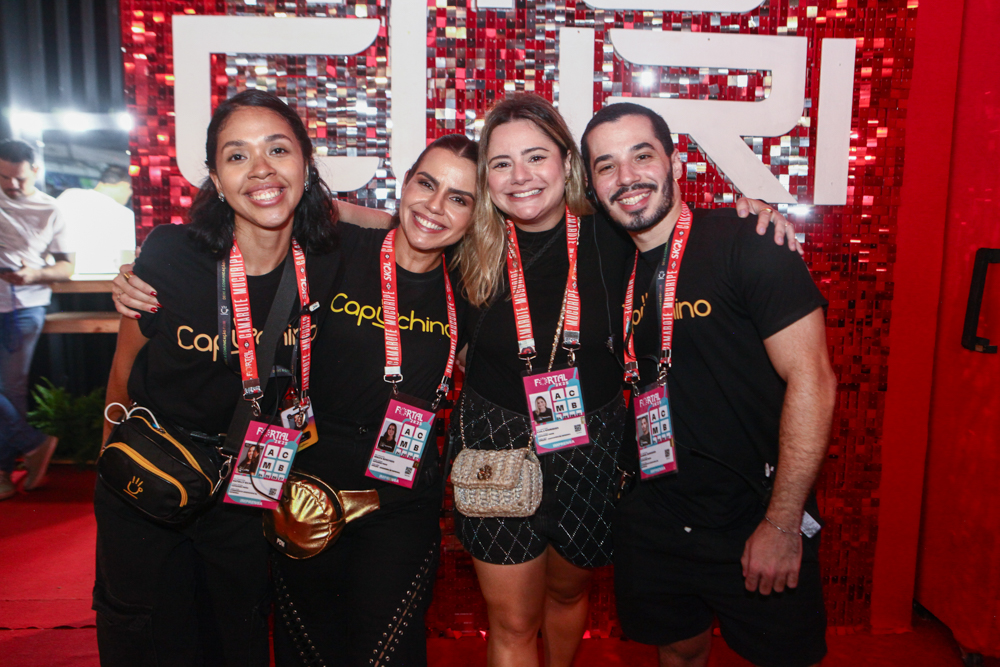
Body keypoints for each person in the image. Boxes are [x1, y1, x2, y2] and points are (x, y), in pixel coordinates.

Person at [449, 94, 798, 667]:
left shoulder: (613, 234)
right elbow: (398, 233)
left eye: (536, 157)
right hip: (497, 445)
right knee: (511, 620)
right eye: (502, 163)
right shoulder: (468, 244)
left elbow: (672, 220)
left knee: (568, 595)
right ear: (485, 176)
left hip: (593, 446)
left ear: (569, 164)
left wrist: (750, 211)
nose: (521, 176)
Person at [112, 133, 480, 667]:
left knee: (389, 653)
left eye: (459, 198)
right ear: (404, 184)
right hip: (301, 485)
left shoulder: (470, 288)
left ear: (476, 214)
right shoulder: (333, 250)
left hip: (400, 504)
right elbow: (283, 210)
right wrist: (138, 280)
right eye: (426, 184)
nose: (436, 205)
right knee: (308, 651)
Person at [580, 102, 837, 667]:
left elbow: (813, 379)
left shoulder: (748, 240)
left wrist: (782, 522)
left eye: (642, 156)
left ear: (675, 163)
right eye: (606, 166)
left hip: (753, 512)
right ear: (593, 186)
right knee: (677, 648)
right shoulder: (606, 260)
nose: (627, 177)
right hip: (654, 514)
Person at [96, 90, 340, 667]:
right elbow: (122, 375)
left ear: (306, 162)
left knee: (238, 639)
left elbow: (402, 227)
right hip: (153, 476)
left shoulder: (331, 259)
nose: (260, 169)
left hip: (247, 489)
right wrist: (108, 482)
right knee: (146, 640)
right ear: (215, 178)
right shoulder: (170, 252)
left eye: (278, 150)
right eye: (237, 156)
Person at [0, 139, 71, 499]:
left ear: (36, 171)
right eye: (4, 177)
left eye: (20, 178)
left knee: (11, 391)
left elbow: (67, 266)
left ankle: (3, 472)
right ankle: (32, 444)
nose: (11, 185)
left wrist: (34, 274)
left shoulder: (50, 208)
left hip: (24, 306)